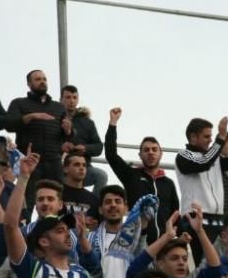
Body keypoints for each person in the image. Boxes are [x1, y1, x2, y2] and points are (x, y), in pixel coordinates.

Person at [3, 149, 104, 278]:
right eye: (59, 231)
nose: (66, 234)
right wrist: (23, 177)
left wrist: (83, 240)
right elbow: (10, 226)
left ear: (60, 204)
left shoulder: (83, 276)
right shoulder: (33, 269)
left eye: (66, 229)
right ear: (44, 241)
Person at [104, 107, 179, 242]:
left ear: (161, 154)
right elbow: (111, 155)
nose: (150, 152)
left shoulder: (168, 183)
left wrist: (177, 238)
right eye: (146, 150)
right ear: (140, 155)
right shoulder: (131, 175)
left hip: (164, 246)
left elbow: (176, 213)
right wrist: (113, 123)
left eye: (154, 149)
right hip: (137, 244)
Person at [176, 116, 228, 259]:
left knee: (222, 263)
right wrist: (220, 138)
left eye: (211, 136)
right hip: (195, 220)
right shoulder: (183, 155)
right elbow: (203, 163)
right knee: (205, 265)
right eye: (206, 136)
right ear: (193, 137)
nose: (210, 140)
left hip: (218, 219)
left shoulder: (215, 158)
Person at [5, 70, 69, 196]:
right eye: (38, 79)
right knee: (28, 202)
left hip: (54, 162)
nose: (42, 82)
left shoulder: (59, 107)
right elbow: (9, 125)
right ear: (29, 84)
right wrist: (31, 116)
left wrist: (68, 130)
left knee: (58, 200)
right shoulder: (18, 103)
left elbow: (68, 135)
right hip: (30, 160)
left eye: (44, 79)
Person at [60, 85, 107, 193]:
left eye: (74, 97)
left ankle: (94, 208)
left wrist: (85, 148)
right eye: (68, 97)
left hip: (82, 166)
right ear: (61, 99)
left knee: (101, 176)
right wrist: (61, 147)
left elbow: (99, 147)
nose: (71, 101)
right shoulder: (55, 118)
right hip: (59, 167)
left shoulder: (87, 122)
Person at [60, 152, 100, 219]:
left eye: (84, 165)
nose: (81, 168)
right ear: (65, 169)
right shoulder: (56, 194)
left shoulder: (94, 199)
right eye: (77, 165)